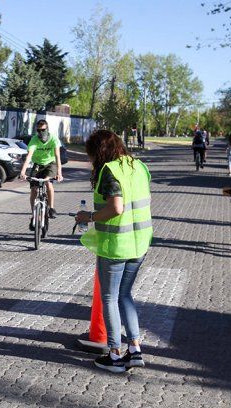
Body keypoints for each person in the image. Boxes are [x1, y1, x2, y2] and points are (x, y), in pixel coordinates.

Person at [75, 130, 152, 373]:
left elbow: (116, 208)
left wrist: (89, 216)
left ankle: (115, 354)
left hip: (116, 245)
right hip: (139, 242)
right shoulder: (138, 166)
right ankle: (135, 349)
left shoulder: (110, 170)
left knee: (109, 298)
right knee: (125, 296)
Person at [19, 119, 64, 229]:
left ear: (47, 129)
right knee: (34, 189)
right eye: (39, 130)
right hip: (38, 164)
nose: (41, 132)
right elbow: (29, 157)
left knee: (48, 183)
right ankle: (34, 215)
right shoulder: (34, 140)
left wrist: (59, 173)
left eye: (43, 130)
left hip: (50, 163)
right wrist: (23, 172)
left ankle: (51, 208)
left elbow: (58, 157)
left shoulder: (53, 139)